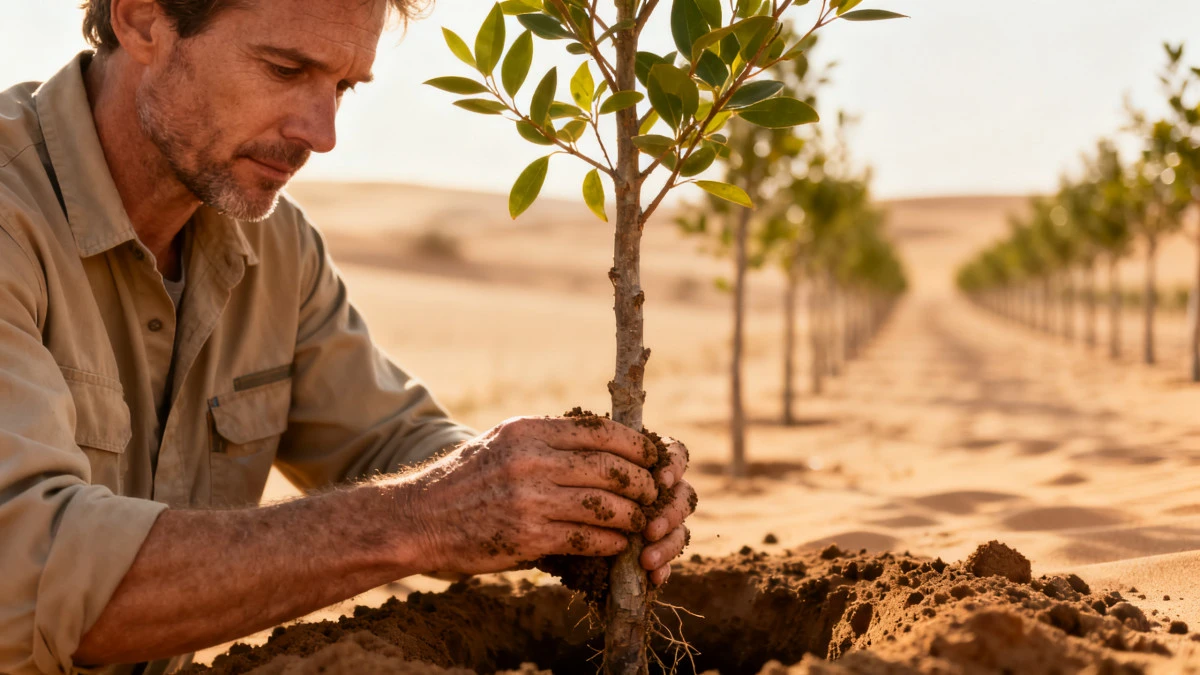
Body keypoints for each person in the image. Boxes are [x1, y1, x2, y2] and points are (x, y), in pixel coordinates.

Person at [0, 0, 696, 673]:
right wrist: (421, 516)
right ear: (142, 18)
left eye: (342, 87)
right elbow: (29, 583)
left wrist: (560, 501)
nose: (322, 132)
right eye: (283, 69)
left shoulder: (277, 248)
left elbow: (395, 443)